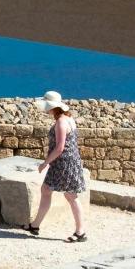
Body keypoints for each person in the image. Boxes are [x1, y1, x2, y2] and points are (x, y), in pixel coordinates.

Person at [27, 91, 89, 243]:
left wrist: (45, 163)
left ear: (52, 107)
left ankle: (81, 232)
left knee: (71, 196)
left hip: (64, 163)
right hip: (68, 162)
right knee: (47, 190)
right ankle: (35, 226)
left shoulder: (61, 122)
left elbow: (60, 148)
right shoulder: (68, 118)